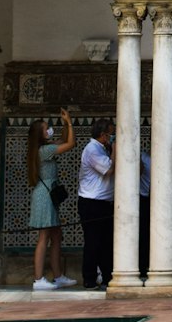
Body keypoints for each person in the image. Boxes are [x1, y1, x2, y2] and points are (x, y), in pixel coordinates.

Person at [27, 108, 77, 291]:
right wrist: (70, 123)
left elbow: (63, 140)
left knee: (56, 237)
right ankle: (38, 278)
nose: (49, 130)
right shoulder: (44, 151)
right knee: (44, 237)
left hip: (48, 196)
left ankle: (58, 276)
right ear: (40, 133)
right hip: (44, 197)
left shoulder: (43, 149)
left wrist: (64, 124)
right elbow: (70, 144)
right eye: (46, 128)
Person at [77, 116, 115, 290]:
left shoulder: (102, 148)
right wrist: (115, 148)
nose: (113, 137)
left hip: (104, 203)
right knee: (93, 242)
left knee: (106, 243)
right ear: (103, 134)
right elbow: (109, 169)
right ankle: (89, 278)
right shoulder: (93, 149)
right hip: (92, 203)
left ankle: (107, 277)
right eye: (111, 134)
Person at [138, 147, 151, 281]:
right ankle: (142, 269)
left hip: (160, 201)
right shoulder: (143, 157)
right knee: (143, 235)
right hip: (143, 199)